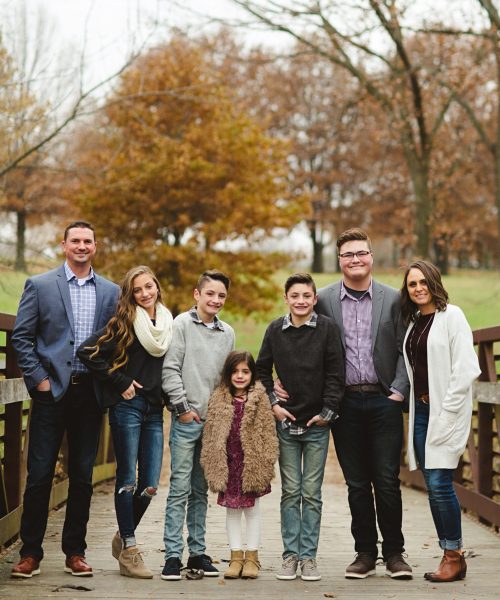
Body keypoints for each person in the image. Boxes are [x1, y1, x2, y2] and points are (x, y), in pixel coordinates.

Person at [276, 229, 411, 579]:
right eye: (348, 254)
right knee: (356, 482)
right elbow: (296, 339)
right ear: (339, 260)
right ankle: (364, 552)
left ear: (370, 256)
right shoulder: (322, 299)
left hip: (384, 400)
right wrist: (280, 381)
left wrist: (398, 389)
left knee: (386, 479)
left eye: (361, 253)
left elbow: (404, 348)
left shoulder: (393, 299)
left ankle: (394, 553)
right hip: (343, 404)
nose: (355, 260)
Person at [10, 221, 119, 578]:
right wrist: (38, 380)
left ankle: (75, 551)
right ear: (64, 245)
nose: (82, 246)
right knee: (40, 475)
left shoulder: (110, 292)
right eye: (76, 240)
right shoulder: (40, 286)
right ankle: (30, 552)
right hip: (51, 392)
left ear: (95, 246)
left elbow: (118, 343)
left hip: (90, 393)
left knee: (83, 477)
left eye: (88, 240)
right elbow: (22, 338)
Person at [77, 266, 173, 578]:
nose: (145, 293)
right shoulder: (124, 322)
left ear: (157, 286)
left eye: (149, 286)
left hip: (155, 411)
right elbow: (88, 352)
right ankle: (130, 549)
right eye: (138, 290)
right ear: (130, 295)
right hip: (128, 407)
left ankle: (122, 534)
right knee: (127, 479)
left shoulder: (168, 323)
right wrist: (119, 381)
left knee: (148, 485)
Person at [256, 273, 344, 582]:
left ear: (314, 298)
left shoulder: (327, 329)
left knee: (312, 492)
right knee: (291, 492)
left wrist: (328, 411)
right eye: (295, 295)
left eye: (306, 295)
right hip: (286, 421)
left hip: (318, 422)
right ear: (286, 299)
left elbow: (336, 372)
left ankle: (309, 557)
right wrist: (273, 404)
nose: (301, 301)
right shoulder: (275, 330)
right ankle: (290, 556)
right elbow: (261, 369)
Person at [400, 260, 480, 582]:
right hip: (421, 415)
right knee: (433, 487)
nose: (418, 288)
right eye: (412, 284)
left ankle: (454, 554)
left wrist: (447, 409)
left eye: (423, 282)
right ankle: (450, 553)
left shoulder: (452, 317)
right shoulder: (415, 322)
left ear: (434, 282)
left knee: (439, 483)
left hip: (445, 412)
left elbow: (467, 368)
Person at [161, 269, 235, 581]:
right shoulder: (181, 325)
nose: (215, 300)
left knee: (200, 489)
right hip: (186, 420)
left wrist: (221, 415)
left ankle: (198, 552)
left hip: (213, 422)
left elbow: (229, 378)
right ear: (197, 295)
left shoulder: (227, 333)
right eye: (210, 294)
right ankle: (172, 555)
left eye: (221, 296)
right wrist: (182, 409)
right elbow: (170, 369)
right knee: (179, 487)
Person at [201, 350, 278, 580]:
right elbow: (211, 433)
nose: (240, 376)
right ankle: (235, 556)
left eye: (245, 371)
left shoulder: (260, 399)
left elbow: (268, 433)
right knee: (232, 511)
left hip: (251, 464)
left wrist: (265, 460)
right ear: (228, 374)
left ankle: (252, 557)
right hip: (228, 463)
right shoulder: (219, 398)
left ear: (252, 374)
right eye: (235, 371)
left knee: (252, 510)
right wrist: (213, 461)